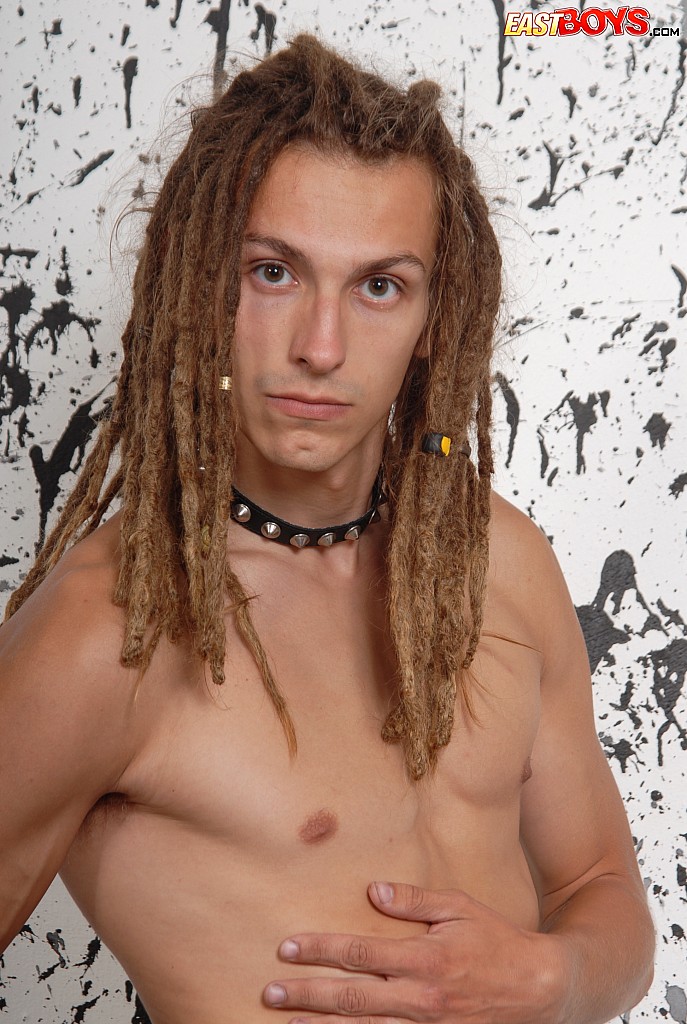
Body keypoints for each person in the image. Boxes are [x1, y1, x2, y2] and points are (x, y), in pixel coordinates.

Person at [0, 33, 654, 1024]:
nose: (321, 345)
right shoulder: (111, 629)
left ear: (434, 316)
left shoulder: (499, 562)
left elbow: (603, 897)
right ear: (201, 283)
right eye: (273, 272)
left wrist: (550, 978)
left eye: (379, 285)